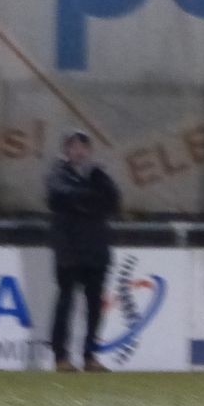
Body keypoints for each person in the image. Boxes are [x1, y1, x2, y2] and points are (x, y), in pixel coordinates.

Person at [46, 131, 120, 373]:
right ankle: (61, 356)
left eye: (83, 147)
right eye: (74, 146)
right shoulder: (58, 174)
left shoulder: (98, 175)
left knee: (95, 305)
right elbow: (60, 197)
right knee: (66, 302)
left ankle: (90, 355)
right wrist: (91, 200)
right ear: (66, 150)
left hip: (96, 248)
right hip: (69, 248)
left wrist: (89, 195)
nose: (79, 151)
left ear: (89, 151)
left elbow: (113, 201)